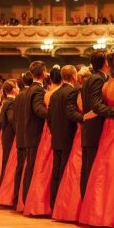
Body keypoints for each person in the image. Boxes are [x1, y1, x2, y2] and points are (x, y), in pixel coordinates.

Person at [80, 52, 114, 228]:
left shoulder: (106, 85)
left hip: (106, 128)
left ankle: (97, 212)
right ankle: (112, 215)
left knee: (102, 169)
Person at [80, 50, 114, 198]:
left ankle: (86, 203)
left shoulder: (90, 79)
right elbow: (97, 106)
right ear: (105, 63)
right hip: (95, 129)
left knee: (88, 169)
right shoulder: (98, 79)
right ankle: (88, 203)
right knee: (91, 171)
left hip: (89, 128)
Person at [48, 65, 83, 210]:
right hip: (68, 136)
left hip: (56, 136)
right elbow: (70, 112)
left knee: (56, 172)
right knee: (64, 171)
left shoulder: (54, 94)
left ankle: (53, 203)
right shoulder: (72, 91)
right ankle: (61, 205)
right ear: (74, 76)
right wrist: (85, 118)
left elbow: (49, 117)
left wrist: (54, 132)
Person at [20, 61, 48, 204]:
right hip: (35, 133)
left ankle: (26, 199)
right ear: (43, 73)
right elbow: (38, 109)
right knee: (32, 166)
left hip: (29, 132)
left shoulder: (30, 89)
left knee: (30, 166)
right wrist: (52, 113)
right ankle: (28, 199)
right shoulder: (38, 90)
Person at [12, 71, 33, 209]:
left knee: (19, 169)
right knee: (28, 169)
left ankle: (16, 200)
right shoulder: (29, 94)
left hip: (19, 136)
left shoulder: (18, 96)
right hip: (28, 137)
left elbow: (14, 118)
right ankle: (24, 200)